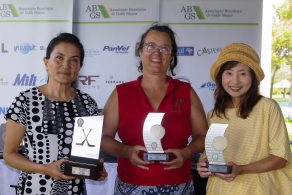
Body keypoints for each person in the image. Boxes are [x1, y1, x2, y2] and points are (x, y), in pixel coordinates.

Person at [101, 24, 208, 194]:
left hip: (178, 185)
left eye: (164, 48)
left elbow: (203, 136)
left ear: (171, 56)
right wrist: (126, 151)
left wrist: (187, 152)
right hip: (130, 185)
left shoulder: (185, 91)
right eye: (150, 46)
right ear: (140, 51)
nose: (157, 53)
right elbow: (104, 138)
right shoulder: (122, 93)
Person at [3, 33, 107, 195]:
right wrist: (44, 168)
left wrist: (96, 170)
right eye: (59, 58)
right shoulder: (25, 100)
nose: (66, 65)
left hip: (75, 190)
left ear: (80, 66)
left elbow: (87, 157)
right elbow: (9, 155)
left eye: (74, 60)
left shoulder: (88, 104)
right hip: (35, 189)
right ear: (46, 62)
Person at [197, 43, 292, 194]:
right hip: (219, 190)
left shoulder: (267, 107)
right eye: (229, 73)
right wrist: (203, 165)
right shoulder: (213, 114)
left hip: (258, 190)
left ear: (253, 77)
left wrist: (241, 169)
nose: (235, 81)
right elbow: (210, 153)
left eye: (242, 73)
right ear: (221, 76)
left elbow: (280, 158)